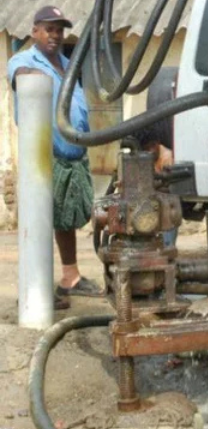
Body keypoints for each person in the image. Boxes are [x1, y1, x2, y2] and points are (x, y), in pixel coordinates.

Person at [8, 6, 102, 310]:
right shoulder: (25, 60)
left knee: (65, 217)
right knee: (40, 218)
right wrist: (31, 76)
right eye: (49, 29)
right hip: (44, 155)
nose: (55, 35)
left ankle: (70, 277)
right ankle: (33, 290)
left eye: (60, 30)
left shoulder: (66, 64)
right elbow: (18, 75)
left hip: (73, 155)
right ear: (35, 30)